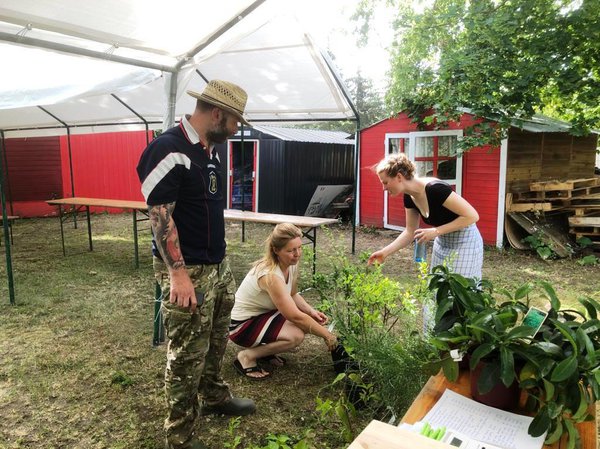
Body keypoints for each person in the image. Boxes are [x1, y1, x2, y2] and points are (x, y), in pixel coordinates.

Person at [137, 79, 255, 449]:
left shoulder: (210, 150)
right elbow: (160, 217)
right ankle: (180, 435)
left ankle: (214, 395)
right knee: (187, 353)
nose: (236, 129)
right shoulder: (168, 149)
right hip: (187, 270)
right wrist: (178, 274)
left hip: (216, 264)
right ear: (217, 113)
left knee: (216, 340)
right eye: (235, 121)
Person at [228, 223, 338, 379]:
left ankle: (266, 351)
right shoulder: (271, 275)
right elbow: (295, 316)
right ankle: (247, 356)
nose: (297, 254)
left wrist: (311, 311)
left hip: (262, 315)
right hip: (241, 326)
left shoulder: (290, 263)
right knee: (296, 334)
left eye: (299, 247)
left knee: (307, 322)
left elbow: (292, 294)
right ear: (276, 250)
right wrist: (328, 336)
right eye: (291, 250)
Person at [368, 153, 483, 279]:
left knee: (461, 290)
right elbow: (409, 232)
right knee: (439, 288)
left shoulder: (435, 189)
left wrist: (436, 231)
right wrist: (385, 253)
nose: (384, 188)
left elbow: (472, 216)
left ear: (399, 177)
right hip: (442, 241)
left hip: (465, 241)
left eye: (385, 182)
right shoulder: (409, 197)